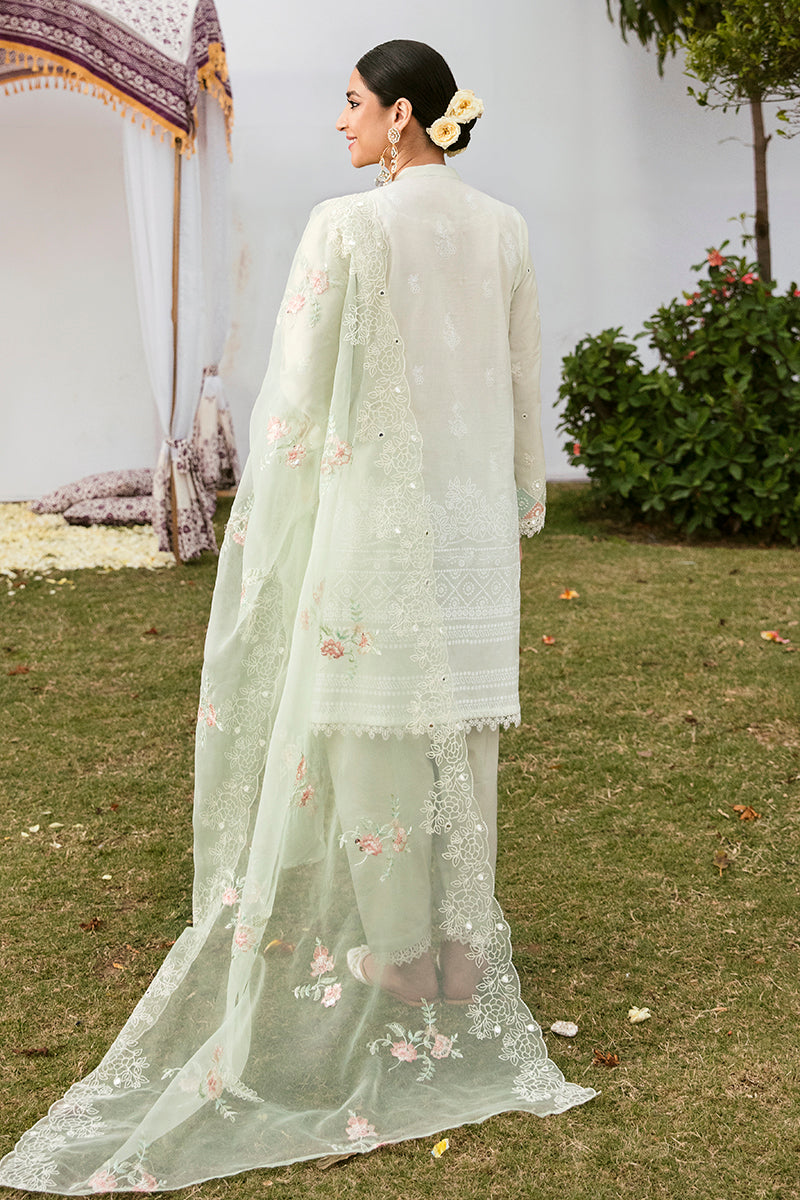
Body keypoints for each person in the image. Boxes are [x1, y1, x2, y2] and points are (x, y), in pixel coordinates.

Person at [0, 39, 595, 1195]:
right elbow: (522, 381)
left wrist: (271, 509)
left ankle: (400, 965)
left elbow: (296, 395)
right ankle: (456, 956)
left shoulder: (346, 229)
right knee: (458, 746)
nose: (340, 121)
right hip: (470, 543)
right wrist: (521, 497)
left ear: (403, 115)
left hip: (375, 531)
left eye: (353, 101)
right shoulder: (505, 229)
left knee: (369, 745)